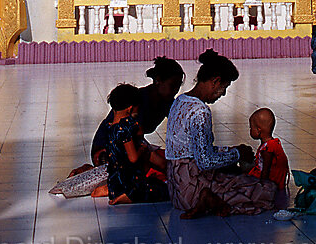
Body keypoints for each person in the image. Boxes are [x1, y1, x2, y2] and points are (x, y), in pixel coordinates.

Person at [165, 49, 278, 217]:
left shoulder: (179, 101)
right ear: (215, 81)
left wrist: (229, 150)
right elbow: (205, 161)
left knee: (233, 174)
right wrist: (237, 154)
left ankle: (210, 201)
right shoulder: (200, 111)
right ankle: (208, 200)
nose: (223, 94)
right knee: (267, 190)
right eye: (224, 87)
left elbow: (194, 149)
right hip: (193, 189)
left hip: (176, 190)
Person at [91, 55, 184, 165]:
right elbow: (133, 145)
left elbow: (180, 127)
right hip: (105, 151)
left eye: (178, 86)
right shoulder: (136, 100)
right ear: (158, 81)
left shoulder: (167, 102)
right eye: (172, 86)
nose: (176, 91)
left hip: (129, 146)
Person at [104, 84, 169, 204]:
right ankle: (128, 196)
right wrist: (142, 149)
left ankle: (119, 194)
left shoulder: (110, 128)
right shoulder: (124, 130)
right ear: (130, 108)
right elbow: (133, 158)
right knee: (164, 190)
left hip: (114, 184)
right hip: (130, 185)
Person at [248, 108, 289, 195]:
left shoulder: (268, 149)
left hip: (270, 186)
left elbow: (265, 170)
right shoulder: (273, 144)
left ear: (258, 130)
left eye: (251, 128)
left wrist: (261, 187)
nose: (250, 130)